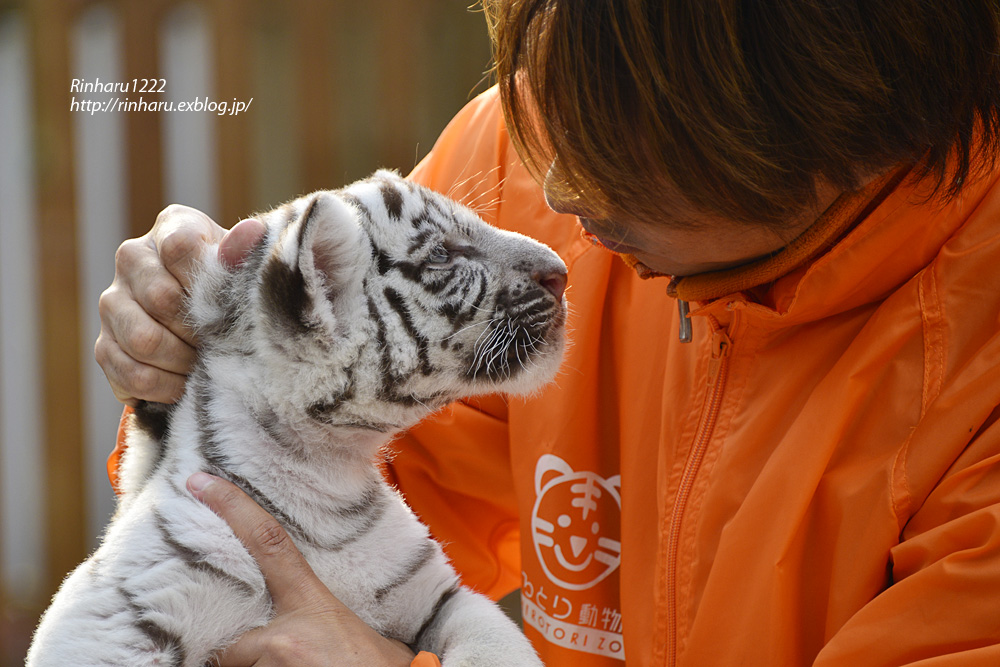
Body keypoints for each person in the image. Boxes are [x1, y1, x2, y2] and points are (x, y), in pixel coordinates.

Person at [96, 1, 1000, 665]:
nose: (561, 192)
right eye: (544, 96)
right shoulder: (532, 139)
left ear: (838, 117)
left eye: (632, 147)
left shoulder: (977, 376)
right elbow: (286, 523)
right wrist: (201, 383)